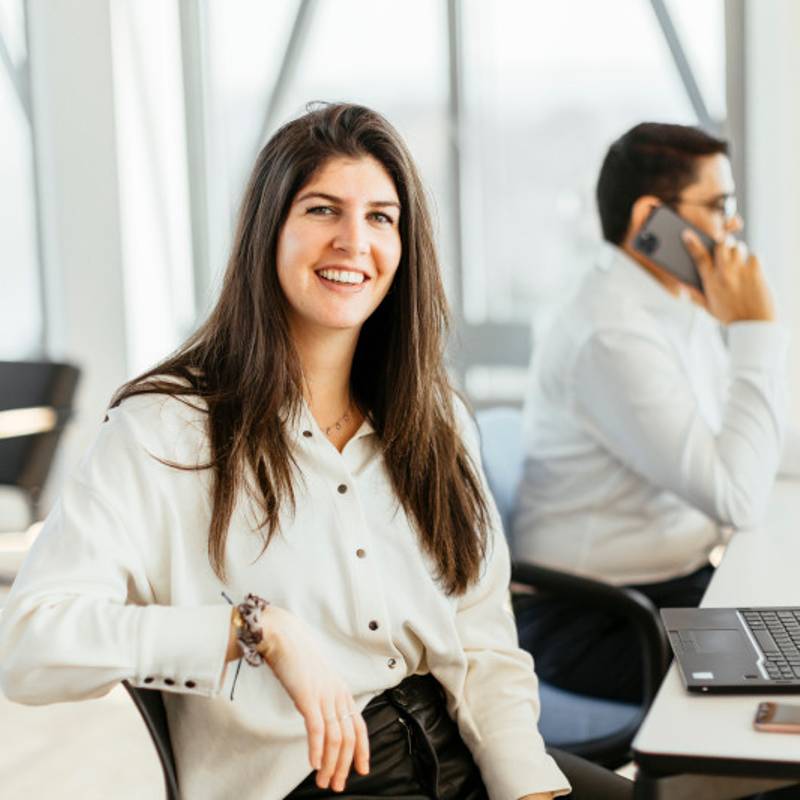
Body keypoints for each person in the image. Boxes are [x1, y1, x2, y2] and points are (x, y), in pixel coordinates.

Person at [0, 104, 633, 799]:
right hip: (314, 781)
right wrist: (251, 630)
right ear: (269, 229)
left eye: (381, 218)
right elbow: (32, 644)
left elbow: (482, 645)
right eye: (323, 210)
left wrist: (527, 787)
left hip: (460, 756)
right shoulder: (167, 426)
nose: (353, 242)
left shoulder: (434, 417)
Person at [512, 122, 792, 703]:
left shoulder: (673, 307)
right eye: (719, 206)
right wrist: (755, 329)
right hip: (600, 619)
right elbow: (737, 496)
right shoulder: (612, 335)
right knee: (784, 677)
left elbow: (747, 454)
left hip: (672, 589)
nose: (734, 225)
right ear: (651, 220)